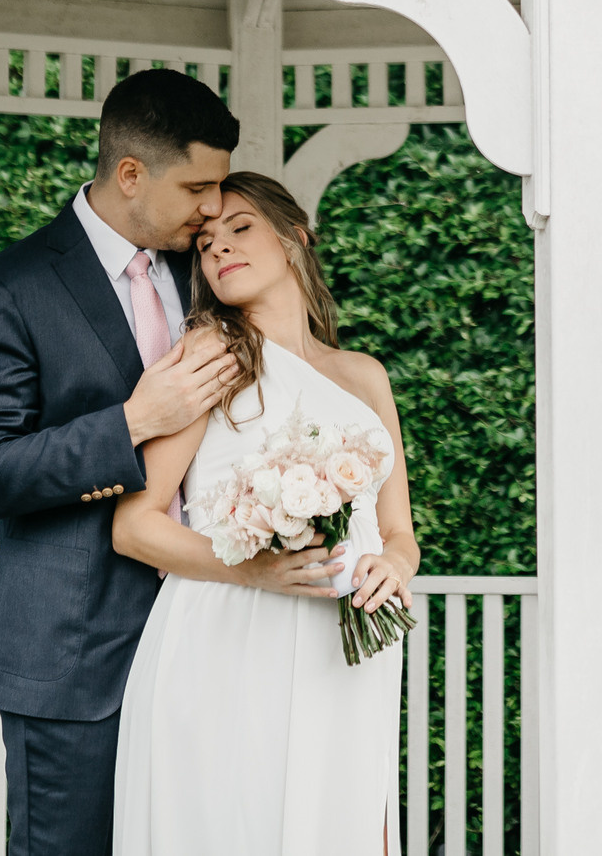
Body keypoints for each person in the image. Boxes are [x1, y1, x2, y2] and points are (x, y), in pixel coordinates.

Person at [0, 68, 246, 856]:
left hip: (207, 643)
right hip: (73, 661)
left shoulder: (207, 273)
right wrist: (134, 421)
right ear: (131, 173)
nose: (214, 207)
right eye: (198, 186)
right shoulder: (9, 289)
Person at [111, 172, 421, 856]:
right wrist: (254, 571)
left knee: (343, 820)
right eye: (205, 243)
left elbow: (399, 530)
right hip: (233, 634)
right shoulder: (209, 355)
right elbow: (134, 526)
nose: (218, 246)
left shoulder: (364, 374)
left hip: (346, 646)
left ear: (293, 238)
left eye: (240, 227)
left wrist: (393, 566)